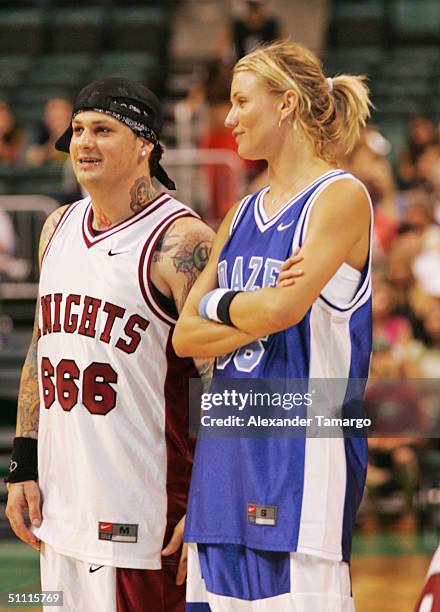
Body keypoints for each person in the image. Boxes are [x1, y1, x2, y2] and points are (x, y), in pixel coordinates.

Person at [173, 40, 373, 610]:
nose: (229, 117)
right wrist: (250, 305)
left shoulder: (339, 197)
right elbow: (185, 336)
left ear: (286, 104)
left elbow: (284, 312)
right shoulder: (239, 212)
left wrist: (219, 304)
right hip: (223, 462)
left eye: (240, 101)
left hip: (300, 463)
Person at [5, 77, 215, 612]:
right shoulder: (57, 225)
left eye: (103, 129)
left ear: (145, 145)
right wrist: (23, 465)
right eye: (77, 130)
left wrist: (213, 496)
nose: (83, 143)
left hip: (142, 520)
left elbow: (222, 377)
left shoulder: (183, 242)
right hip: (61, 508)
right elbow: (39, 350)